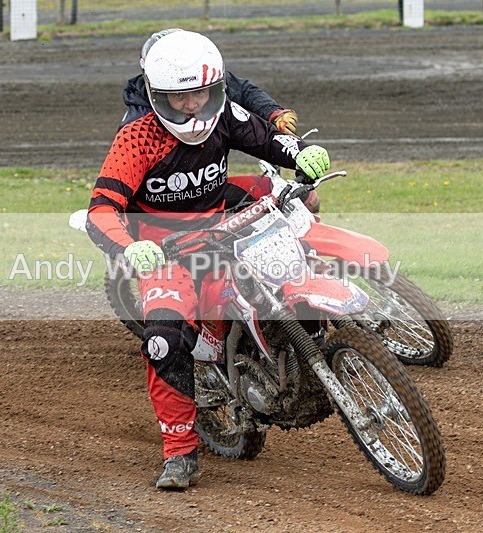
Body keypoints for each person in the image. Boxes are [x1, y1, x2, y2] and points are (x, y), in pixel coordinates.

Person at [86, 31, 330, 491]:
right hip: (168, 253)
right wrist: (128, 247)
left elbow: (270, 143)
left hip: (224, 231)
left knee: (288, 256)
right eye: (180, 97)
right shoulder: (136, 138)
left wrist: (303, 154)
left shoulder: (225, 115)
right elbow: (101, 209)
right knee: (163, 339)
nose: (194, 106)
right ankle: (179, 452)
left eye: (202, 92)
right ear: (157, 95)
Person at [121, 29, 319, 213]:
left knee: (305, 197)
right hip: (164, 219)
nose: (192, 104)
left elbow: (241, 90)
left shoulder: (207, 84)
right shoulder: (136, 128)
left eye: (198, 91)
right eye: (179, 95)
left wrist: (273, 113)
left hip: (211, 197)